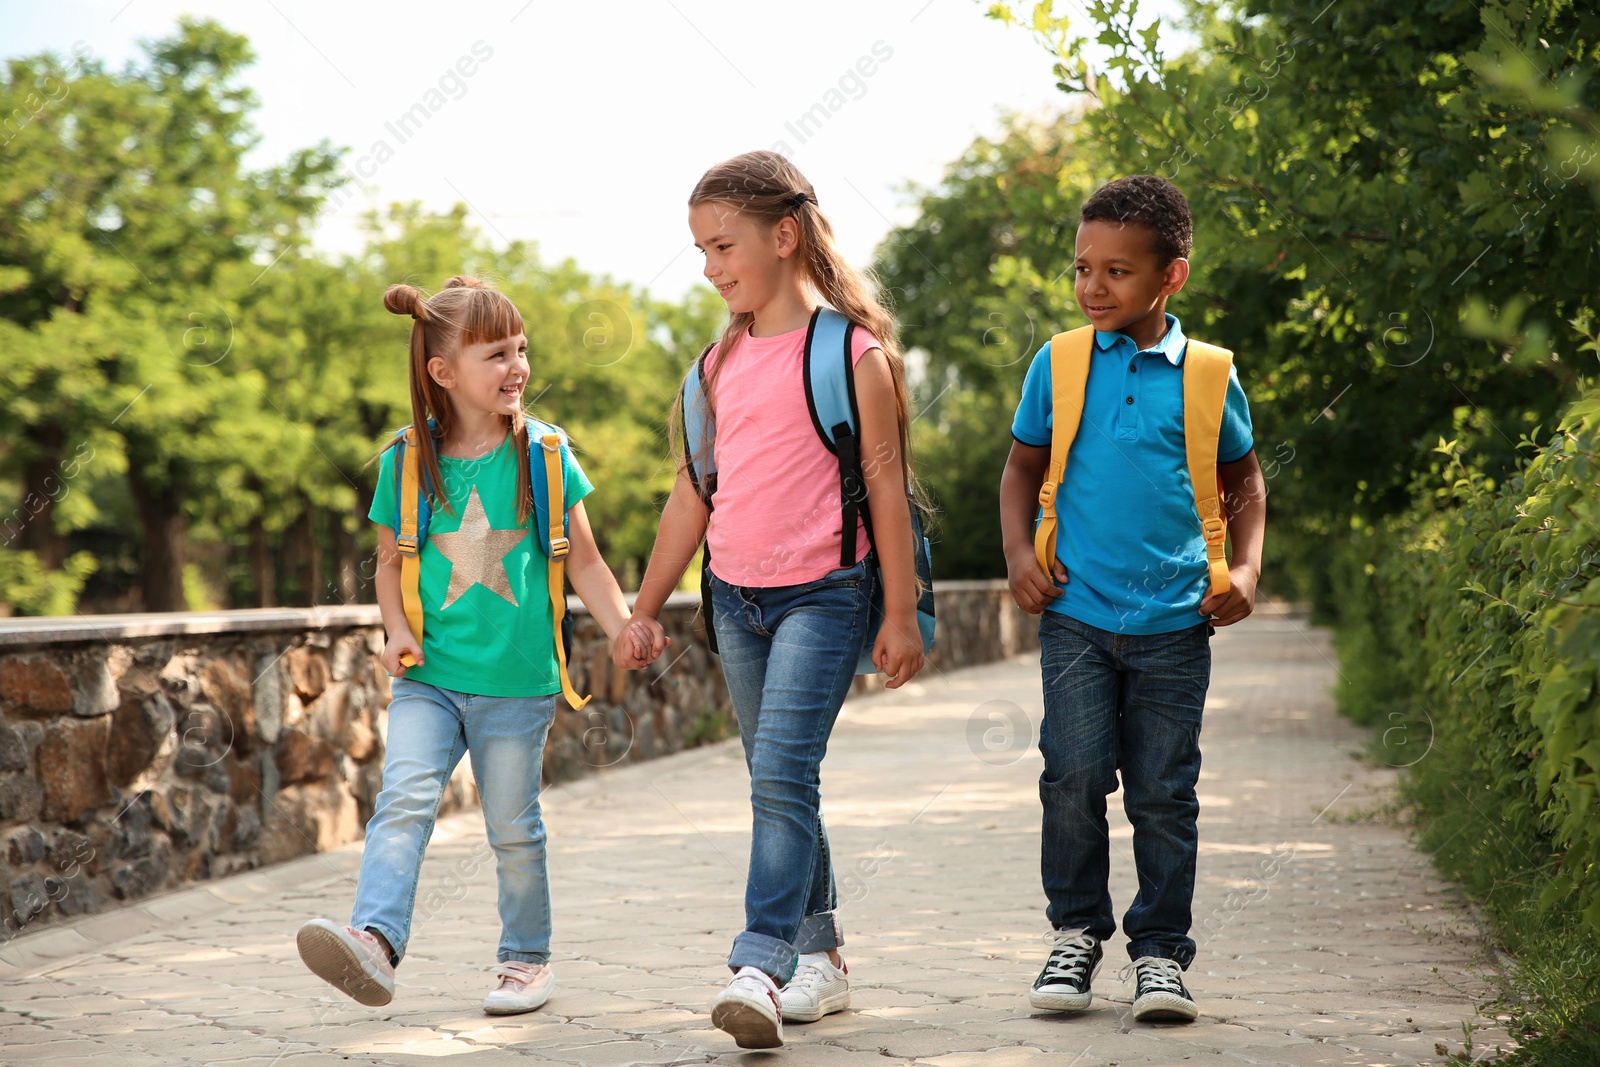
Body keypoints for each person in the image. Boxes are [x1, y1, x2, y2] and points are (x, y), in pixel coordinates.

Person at [617, 151, 926, 1049]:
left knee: (783, 775)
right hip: (735, 601)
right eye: (702, 251)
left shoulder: (852, 354)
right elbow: (691, 494)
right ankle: (821, 958)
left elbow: (889, 487)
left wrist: (900, 613)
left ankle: (761, 961)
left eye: (724, 246)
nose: (712, 268)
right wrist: (645, 607)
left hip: (825, 596)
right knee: (777, 778)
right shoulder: (712, 367)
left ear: (783, 237)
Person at [296, 276, 664, 1016]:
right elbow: (390, 561)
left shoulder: (547, 455)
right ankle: (375, 939)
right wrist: (397, 631)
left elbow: (586, 560)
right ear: (444, 372)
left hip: (517, 683)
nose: (517, 366)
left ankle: (526, 961)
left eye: (521, 349)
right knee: (401, 801)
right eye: (496, 353)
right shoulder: (407, 459)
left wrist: (623, 622)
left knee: (512, 826)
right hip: (430, 678)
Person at [999, 175, 1266, 1023]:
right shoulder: (1060, 361)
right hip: (1076, 613)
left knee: (1162, 788)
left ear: (1170, 277)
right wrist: (1016, 554)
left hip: (1177, 621)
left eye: (1116, 271)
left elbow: (1245, 483)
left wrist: (1248, 570)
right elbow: (1019, 469)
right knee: (1072, 776)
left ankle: (1159, 953)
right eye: (1082, 268)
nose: (1091, 287)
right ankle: (1076, 934)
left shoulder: (1212, 374)